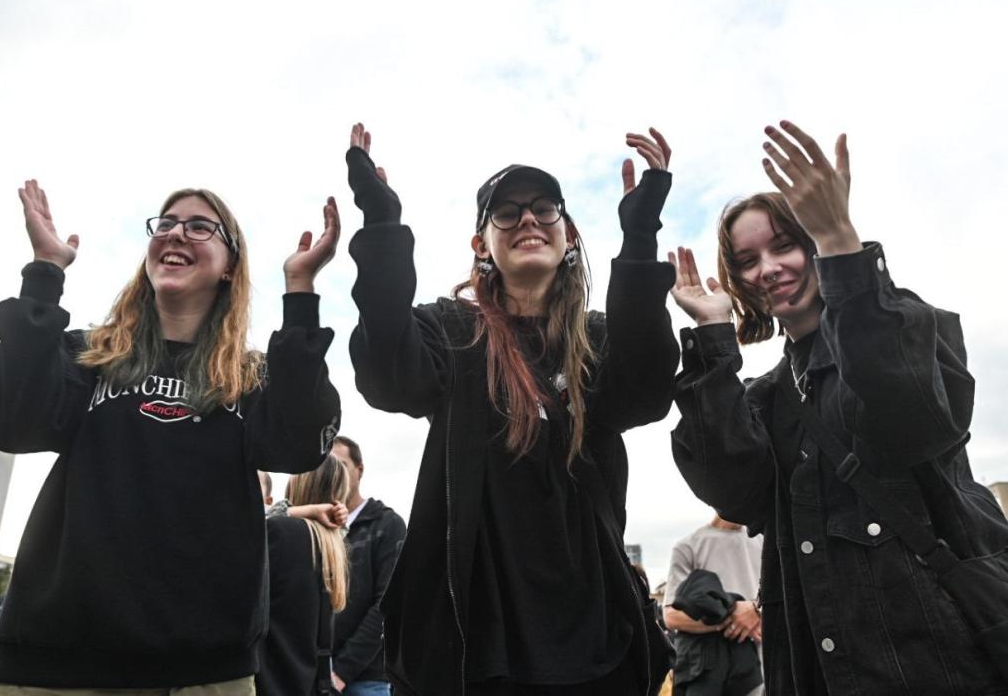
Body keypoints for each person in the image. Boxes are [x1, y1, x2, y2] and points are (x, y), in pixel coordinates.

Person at [668, 121, 1008, 695]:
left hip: (944, 665)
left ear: (813, 243)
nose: (768, 269)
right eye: (748, 260)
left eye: (784, 245)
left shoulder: (909, 323)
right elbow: (732, 492)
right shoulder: (763, 396)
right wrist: (714, 340)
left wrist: (841, 243)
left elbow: (916, 421)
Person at [344, 122, 680, 695]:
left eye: (544, 209)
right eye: (506, 213)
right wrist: (382, 226)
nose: (528, 220)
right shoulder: (452, 331)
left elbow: (645, 392)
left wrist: (640, 235)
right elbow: (387, 378)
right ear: (482, 246)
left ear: (568, 236)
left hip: (596, 645)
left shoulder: (596, 341)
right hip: (477, 645)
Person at [0, 180, 342, 694]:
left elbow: (300, 445)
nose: (176, 233)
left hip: (201, 672)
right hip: (54, 663)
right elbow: (8, 422)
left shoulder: (250, 379)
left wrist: (300, 293)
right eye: (166, 224)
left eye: (199, 227)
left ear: (230, 265)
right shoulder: (88, 358)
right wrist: (45, 273)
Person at [316, 435, 407, 696]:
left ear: (360, 470)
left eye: (340, 465)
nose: (333, 473)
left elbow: (387, 605)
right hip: (315, 675)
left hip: (365, 679)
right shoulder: (315, 526)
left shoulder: (387, 525)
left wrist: (341, 672)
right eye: (326, 466)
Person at [258, 455, 351, 696]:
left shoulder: (281, 532)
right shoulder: (333, 546)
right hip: (309, 684)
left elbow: (244, 532)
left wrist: (289, 512)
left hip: (271, 680)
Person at [662, 515, 763, 696]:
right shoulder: (689, 546)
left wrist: (757, 610)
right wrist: (732, 616)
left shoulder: (767, 545)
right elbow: (671, 616)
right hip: (707, 672)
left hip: (763, 671)